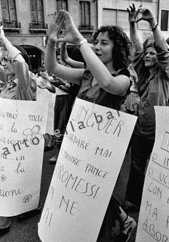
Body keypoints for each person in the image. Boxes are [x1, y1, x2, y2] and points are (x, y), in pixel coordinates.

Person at [45, 10, 136, 242]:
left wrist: (80, 40)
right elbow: (53, 69)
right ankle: (124, 220)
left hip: (106, 148)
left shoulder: (125, 75)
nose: (97, 46)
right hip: (82, 144)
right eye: (95, 42)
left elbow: (109, 83)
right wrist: (52, 41)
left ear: (117, 48)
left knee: (97, 194)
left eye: (104, 43)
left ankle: (109, 230)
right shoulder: (86, 74)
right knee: (86, 191)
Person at [0, 26, 37, 241]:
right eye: (4, 59)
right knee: (14, 177)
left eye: (8, 58)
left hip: (19, 141)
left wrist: (5, 41)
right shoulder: (10, 80)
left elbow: (20, 62)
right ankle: (23, 206)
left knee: (8, 179)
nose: (4, 61)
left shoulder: (27, 80)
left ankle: (1, 222)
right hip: (7, 138)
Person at [124, 4, 169, 213]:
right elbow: (136, 46)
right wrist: (132, 24)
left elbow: (163, 49)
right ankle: (133, 200)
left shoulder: (165, 74)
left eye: (153, 53)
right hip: (141, 129)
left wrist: (152, 23)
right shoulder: (140, 74)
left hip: (162, 132)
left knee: (160, 171)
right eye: (147, 53)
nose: (149, 55)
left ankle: (159, 207)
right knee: (137, 166)